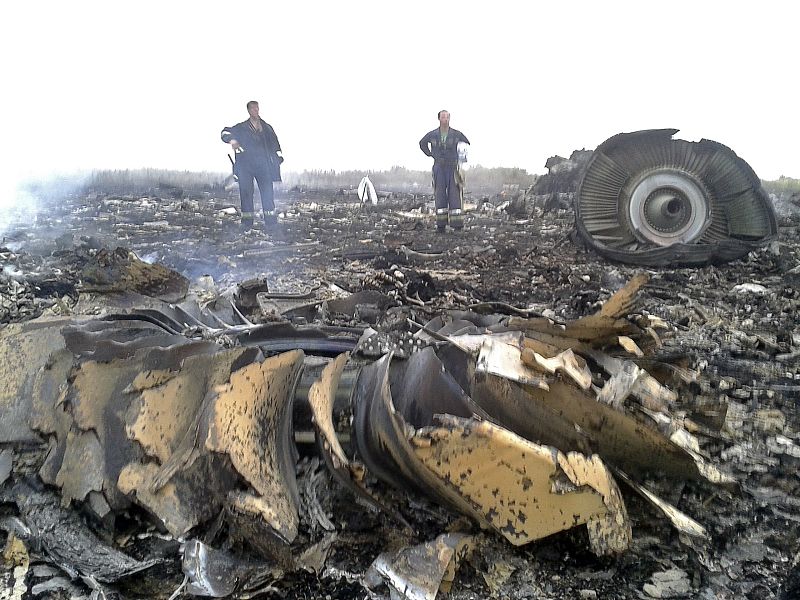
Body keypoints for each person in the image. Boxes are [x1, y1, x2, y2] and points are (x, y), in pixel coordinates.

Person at [221, 101, 284, 229]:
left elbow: (275, 145)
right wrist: (232, 140)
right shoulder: (241, 128)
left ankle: (271, 223)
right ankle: (247, 223)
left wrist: (278, 158)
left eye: (257, 108)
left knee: (267, 193)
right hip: (245, 165)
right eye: (253, 108)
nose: (256, 110)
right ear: (248, 111)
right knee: (246, 193)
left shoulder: (267, 128)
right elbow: (224, 132)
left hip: (263, 165)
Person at [419, 110, 470, 232]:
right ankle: (441, 225)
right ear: (439, 119)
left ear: (449, 119)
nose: (445, 119)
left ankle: (457, 225)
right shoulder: (433, 135)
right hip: (439, 167)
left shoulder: (457, 134)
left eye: (447, 117)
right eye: (443, 117)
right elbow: (422, 143)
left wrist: (462, 157)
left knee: (455, 195)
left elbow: (467, 143)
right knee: (440, 194)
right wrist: (430, 154)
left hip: (453, 168)